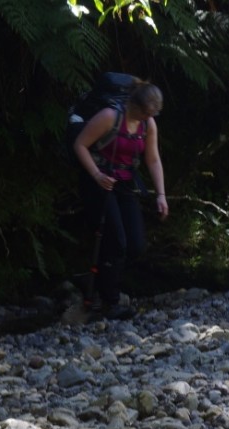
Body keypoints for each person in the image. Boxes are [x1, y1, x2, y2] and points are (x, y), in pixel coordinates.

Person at [73, 78, 168, 320]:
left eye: (153, 114)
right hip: (98, 182)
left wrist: (161, 195)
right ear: (135, 105)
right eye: (147, 113)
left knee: (136, 245)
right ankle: (110, 301)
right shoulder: (109, 116)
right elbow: (80, 145)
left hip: (124, 185)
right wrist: (96, 174)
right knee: (116, 241)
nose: (149, 117)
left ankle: (95, 282)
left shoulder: (148, 124)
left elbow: (153, 159)